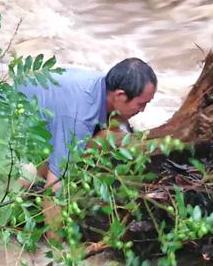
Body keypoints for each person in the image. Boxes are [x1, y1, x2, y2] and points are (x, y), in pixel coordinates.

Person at [16, 57, 157, 187]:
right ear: (119, 95)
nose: (143, 110)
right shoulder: (80, 118)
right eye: (141, 104)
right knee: (28, 176)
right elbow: (54, 189)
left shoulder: (102, 84)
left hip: (42, 115)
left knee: (115, 129)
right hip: (7, 132)